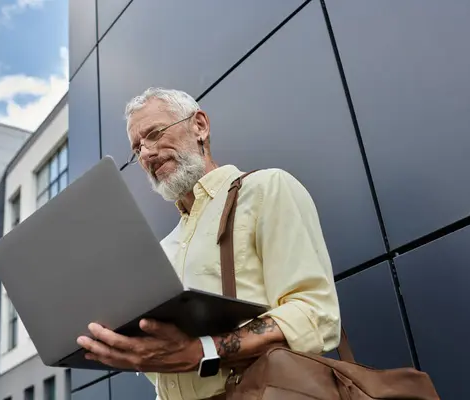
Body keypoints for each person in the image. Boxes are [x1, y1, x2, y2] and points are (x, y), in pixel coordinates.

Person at [76, 88, 341, 400]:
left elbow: (316, 315)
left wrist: (200, 351)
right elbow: (168, 364)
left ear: (199, 125)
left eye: (155, 133)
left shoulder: (265, 189)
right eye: (137, 148)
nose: (146, 153)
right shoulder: (163, 250)